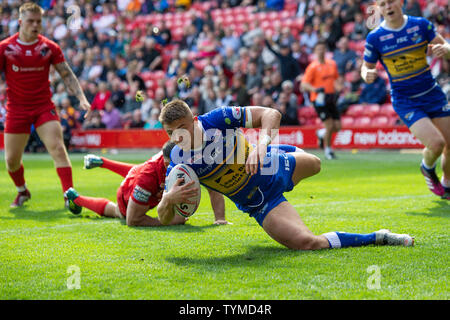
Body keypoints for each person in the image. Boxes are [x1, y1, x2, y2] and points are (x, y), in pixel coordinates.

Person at [156, 99, 414, 250]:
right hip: (260, 203)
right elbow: (165, 218)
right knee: (307, 244)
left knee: (315, 163)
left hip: (273, 165)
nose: (177, 137)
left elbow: (271, 114)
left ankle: (280, 151)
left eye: (182, 128)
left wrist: (261, 145)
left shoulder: (217, 119)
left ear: (194, 120)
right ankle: (379, 237)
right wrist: (168, 199)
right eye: (170, 133)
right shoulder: (180, 163)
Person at [0, 3, 91, 211]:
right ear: (20, 22)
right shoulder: (5, 48)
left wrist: (82, 98)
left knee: (58, 148)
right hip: (16, 109)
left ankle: (69, 196)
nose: (35, 25)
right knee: (11, 161)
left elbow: (66, 74)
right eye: (31, 21)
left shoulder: (49, 47)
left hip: (43, 107)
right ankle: (22, 190)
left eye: (38, 22)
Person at [361, 0, 450, 199]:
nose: (388, 7)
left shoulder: (420, 25)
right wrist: (366, 73)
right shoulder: (375, 37)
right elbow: (366, 66)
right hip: (405, 99)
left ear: (401, 3)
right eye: (383, 4)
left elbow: (445, 46)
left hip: (432, 92)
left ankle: (447, 183)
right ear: (379, 9)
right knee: (436, 143)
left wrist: (446, 49)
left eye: (391, 2)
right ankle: (427, 168)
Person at [64, 142, 229, 226]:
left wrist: (220, 219)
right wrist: (166, 222)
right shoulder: (149, 176)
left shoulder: (186, 158)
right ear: (165, 163)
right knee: (118, 212)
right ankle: (76, 198)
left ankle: (102, 162)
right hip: (128, 191)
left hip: (142, 172)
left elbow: (212, 184)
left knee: (137, 172)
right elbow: (132, 220)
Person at [301, 39, 341, 160]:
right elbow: (304, 84)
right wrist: (315, 89)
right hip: (319, 99)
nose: (321, 51)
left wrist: (339, 88)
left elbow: (336, 79)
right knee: (329, 125)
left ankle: (321, 133)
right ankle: (328, 150)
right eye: (318, 49)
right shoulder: (312, 67)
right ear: (315, 51)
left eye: (323, 48)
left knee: (338, 126)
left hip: (331, 97)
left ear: (325, 50)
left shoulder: (332, 64)